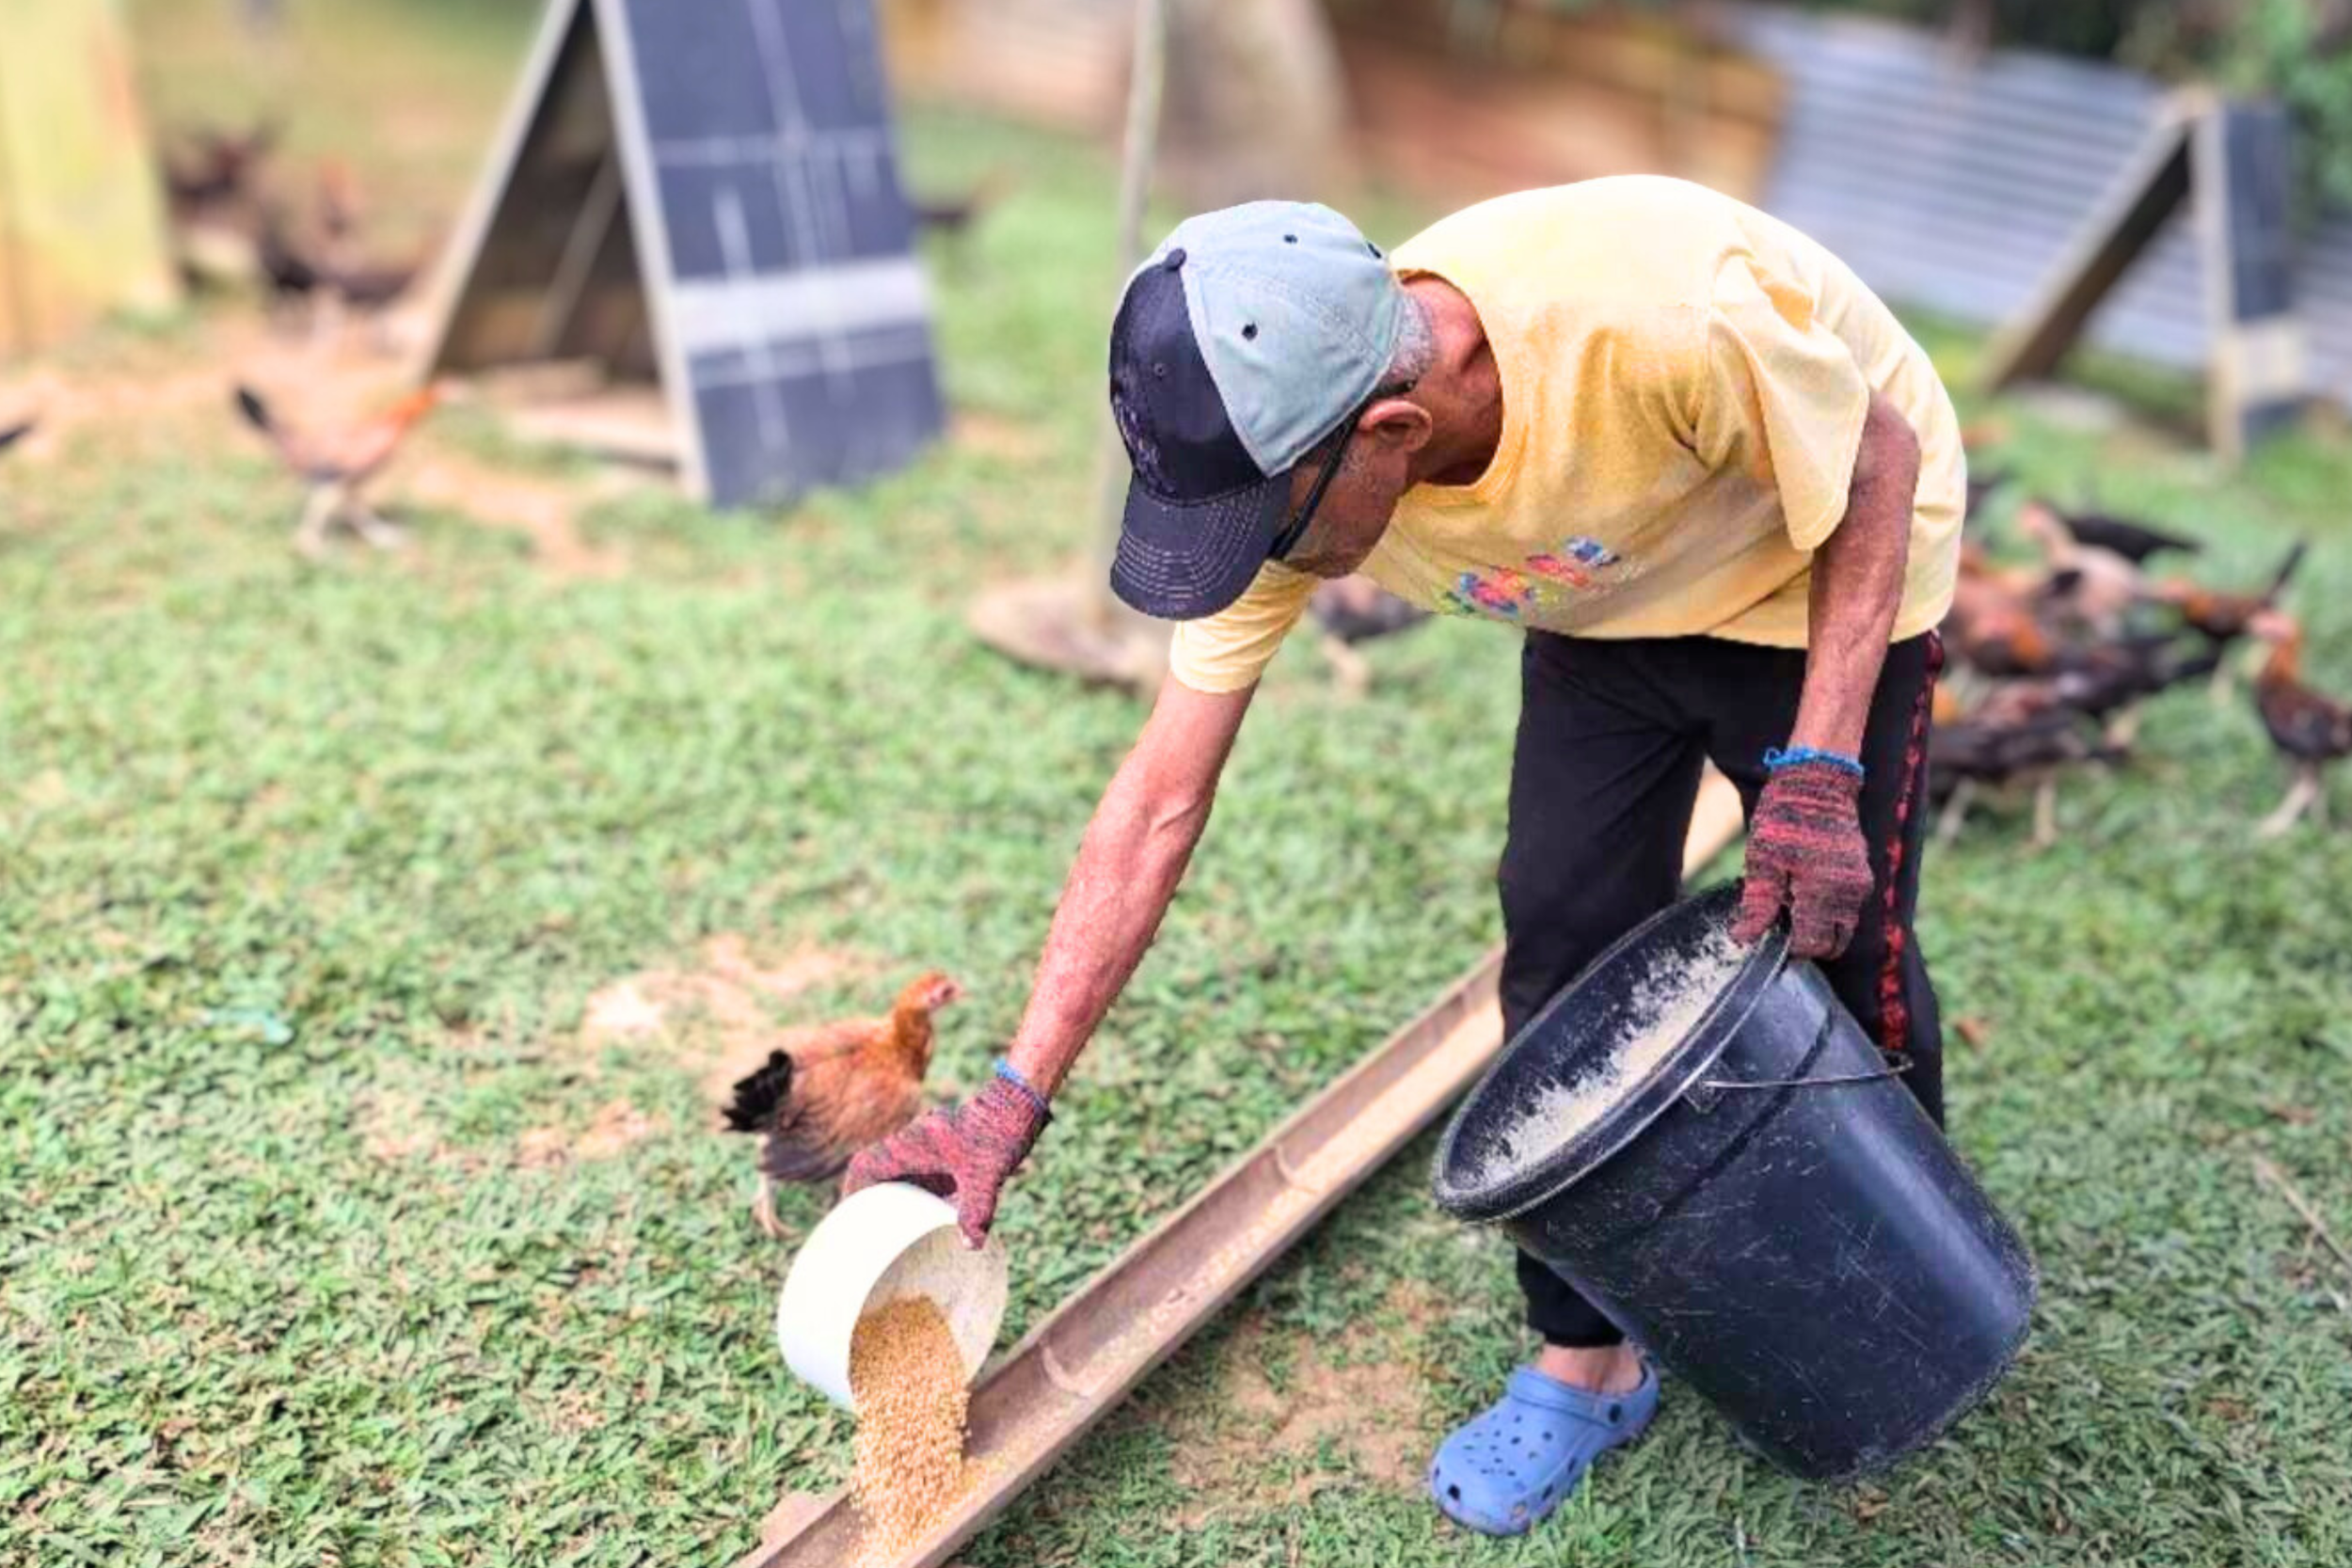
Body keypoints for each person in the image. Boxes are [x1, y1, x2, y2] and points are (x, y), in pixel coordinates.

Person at [845, 178, 1963, 1537]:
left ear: (1391, 430)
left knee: (1837, 938)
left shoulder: (1656, 323)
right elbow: (1155, 803)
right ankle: (1589, 1355)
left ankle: (1897, 1273)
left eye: (1264, 533)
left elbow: (1879, 460)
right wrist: (1009, 1097)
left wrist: (1819, 769)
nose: (1253, 565)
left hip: (1823, 556)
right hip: (1607, 598)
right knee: (1559, 934)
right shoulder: (1290, 461)